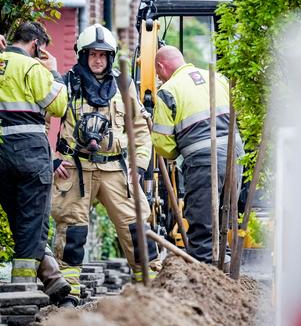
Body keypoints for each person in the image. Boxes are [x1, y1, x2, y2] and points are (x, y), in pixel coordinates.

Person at [51, 23, 161, 307]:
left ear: (110, 58)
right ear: (82, 56)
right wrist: (51, 160)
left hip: (116, 171)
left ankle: (148, 288)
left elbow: (139, 127)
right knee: (72, 231)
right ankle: (69, 293)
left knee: (136, 228)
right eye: (92, 55)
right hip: (76, 169)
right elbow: (43, 120)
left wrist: (138, 166)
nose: (98, 60)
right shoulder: (67, 84)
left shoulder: (123, 86)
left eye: (103, 55)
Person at [0, 22, 71, 304]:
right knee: (35, 219)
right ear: (36, 45)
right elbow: (59, 105)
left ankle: (53, 279)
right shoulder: (33, 68)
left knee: (19, 216)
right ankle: (23, 287)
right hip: (30, 151)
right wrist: (53, 71)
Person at [151, 45, 244, 264]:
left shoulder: (168, 91)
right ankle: (226, 267)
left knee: (203, 225)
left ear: (161, 66)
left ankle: (206, 278)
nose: (158, 78)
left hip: (203, 163)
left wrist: (177, 153)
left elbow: (163, 143)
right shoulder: (217, 78)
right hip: (235, 156)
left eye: (157, 74)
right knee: (225, 218)